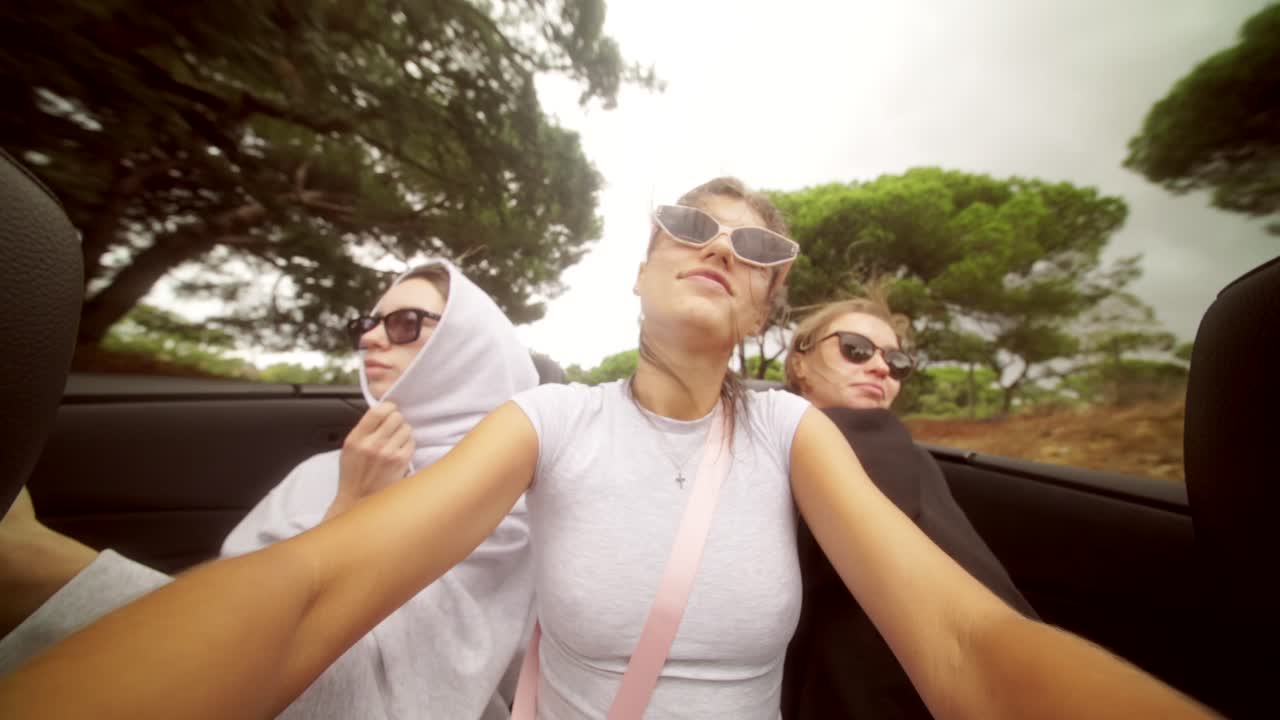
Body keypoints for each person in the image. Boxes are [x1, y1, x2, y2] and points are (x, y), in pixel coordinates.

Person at [0, 178, 1211, 720]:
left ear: (763, 314)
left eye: (756, 251)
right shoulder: (554, 419)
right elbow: (318, 586)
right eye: (690, 226)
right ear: (639, 268)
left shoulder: (795, 430)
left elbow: (965, 645)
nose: (720, 249)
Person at [0, 260, 540, 720]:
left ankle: (30, 568)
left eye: (405, 324)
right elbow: (227, 589)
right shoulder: (327, 467)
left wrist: (355, 513)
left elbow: (419, 690)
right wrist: (350, 499)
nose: (372, 336)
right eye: (369, 322)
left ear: (465, 348)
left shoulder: (512, 495)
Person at [780, 289, 1037, 719]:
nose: (881, 367)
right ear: (799, 363)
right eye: (855, 350)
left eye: (897, 363)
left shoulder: (895, 448)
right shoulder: (851, 434)